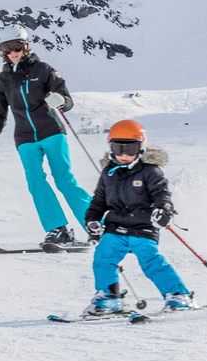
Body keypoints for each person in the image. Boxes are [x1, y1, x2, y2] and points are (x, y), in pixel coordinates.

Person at [0, 24, 91, 248]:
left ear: (26, 45)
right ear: (2, 51)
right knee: (35, 181)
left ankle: (96, 225)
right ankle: (58, 230)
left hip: (52, 132)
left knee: (64, 179)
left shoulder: (43, 70)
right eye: (7, 47)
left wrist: (61, 100)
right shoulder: (2, 80)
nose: (13, 51)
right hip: (25, 139)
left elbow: (66, 99)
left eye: (17, 45)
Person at [81, 119, 195, 315]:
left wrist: (163, 210)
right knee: (103, 257)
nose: (124, 155)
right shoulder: (108, 173)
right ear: (111, 148)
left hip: (143, 227)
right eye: (118, 148)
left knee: (150, 261)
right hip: (115, 228)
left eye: (131, 149)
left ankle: (179, 296)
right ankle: (109, 298)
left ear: (141, 148)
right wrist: (92, 220)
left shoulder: (150, 172)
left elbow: (162, 194)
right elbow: (99, 201)